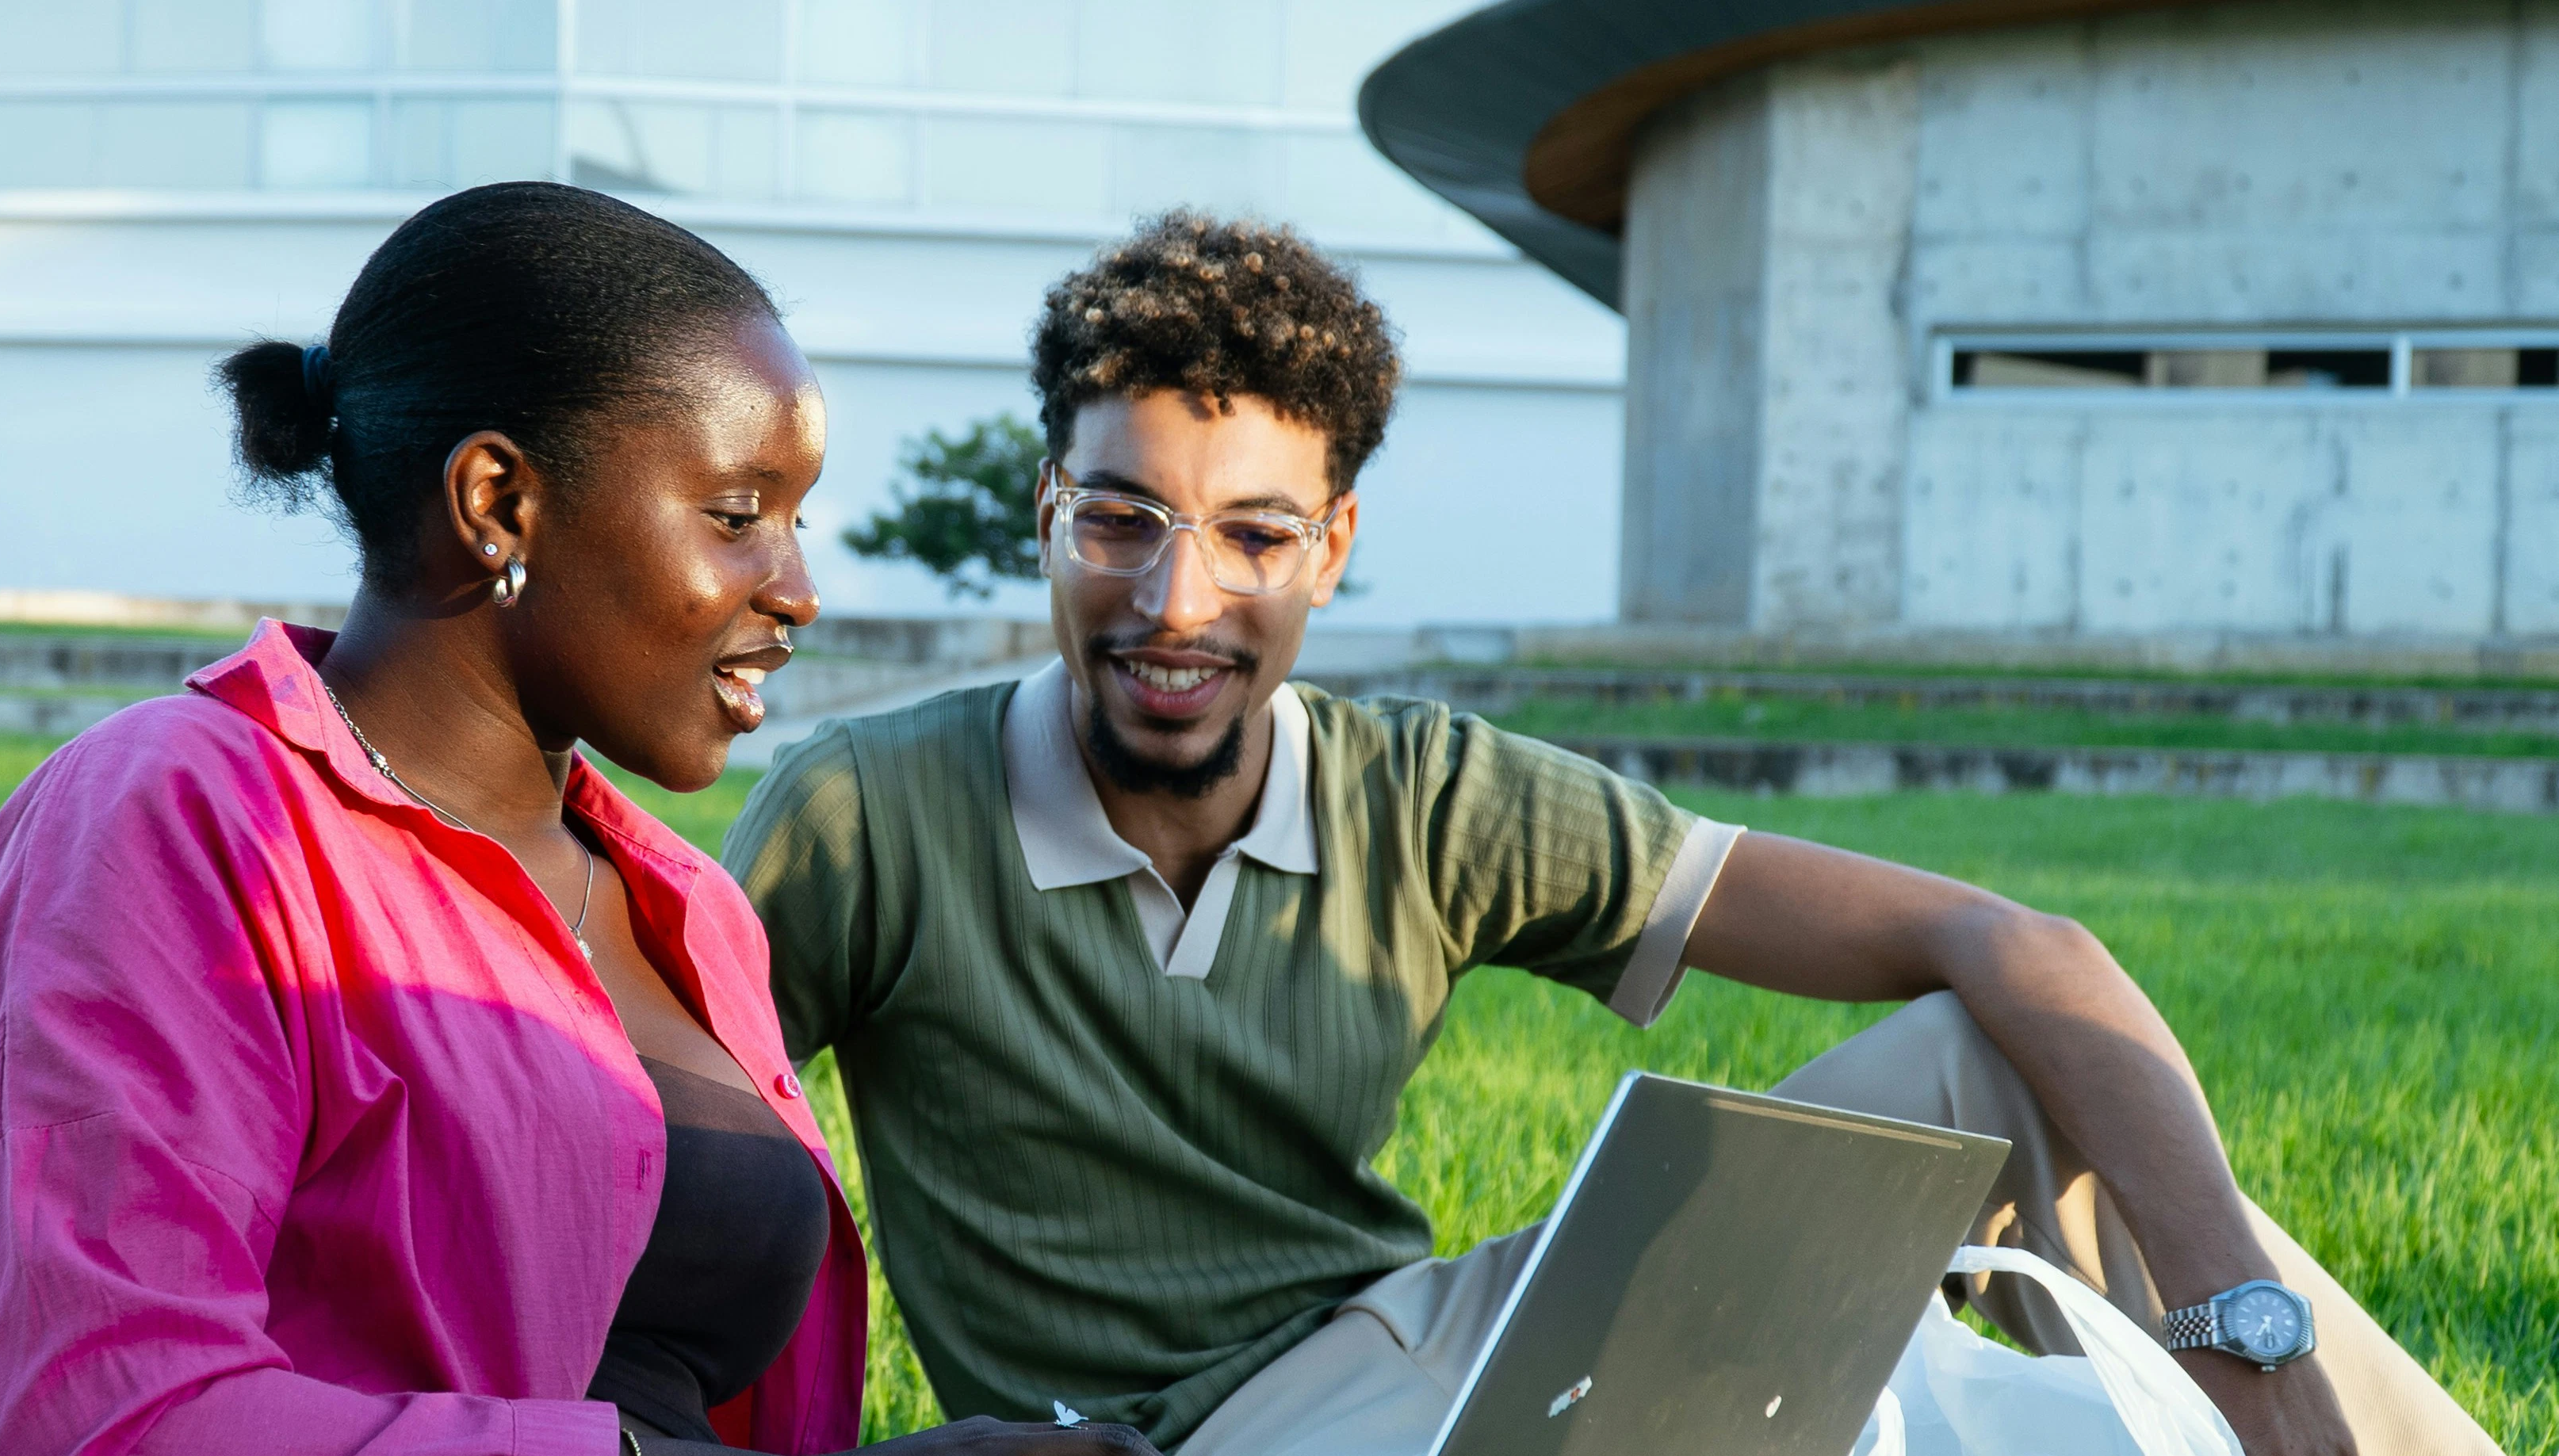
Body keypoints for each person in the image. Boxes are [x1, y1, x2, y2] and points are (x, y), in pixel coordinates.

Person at [723, 212, 2506, 1456]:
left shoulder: (1424, 794)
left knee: (1989, 1055)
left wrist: (2247, 1343)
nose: (1175, 602)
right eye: (1119, 519)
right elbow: (665, 1178)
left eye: (1253, 536)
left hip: (1449, 1350)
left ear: (1329, 550)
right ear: (1047, 513)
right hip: (1157, 1444)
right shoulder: (866, 814)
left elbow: (2017, 947)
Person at [0, 182, 1153, 1456]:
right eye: (736, 517)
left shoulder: (691, 910)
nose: (798, 590)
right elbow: (94, 1415)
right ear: (497, 501)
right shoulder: (182, 818)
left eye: (795, 521)